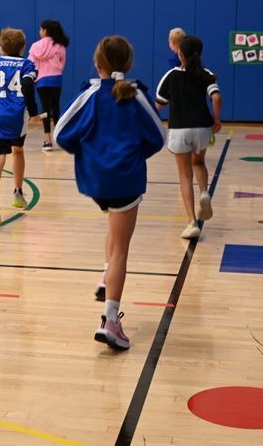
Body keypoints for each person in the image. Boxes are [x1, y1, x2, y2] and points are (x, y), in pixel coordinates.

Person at [54, 36, 165, 350]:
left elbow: (60, 134)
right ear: (128, 63)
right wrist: (133, 154)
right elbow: (159, 137)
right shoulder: (135, 95)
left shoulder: (88, 94)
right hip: (125, 179)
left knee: (113, 231)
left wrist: (89, 153)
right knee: (120, 251)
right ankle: (110, 320)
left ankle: (105, 275)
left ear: (97, 62)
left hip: (96, 181)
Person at [155, 35, 222, 239]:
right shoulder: (205, 74)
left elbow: (159, 103)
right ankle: (204, 192)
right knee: (199, 163)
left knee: (185, 176)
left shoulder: (171, 76)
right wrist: (216, 120)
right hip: (202, 128)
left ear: (179, 54)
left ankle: (192, 222)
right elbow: (216, 97)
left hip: (179, 130)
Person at [0, 28, 39, 224]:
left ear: (2, 46)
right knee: (18, 151)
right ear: (23, 48)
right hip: (17, 115)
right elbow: (28, 86)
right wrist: (34, 110)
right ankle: (18, 193)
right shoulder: (27, 64)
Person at [29, 19, 69, 151]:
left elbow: (31, 64)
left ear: (45, 31)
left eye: (40, 29)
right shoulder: (60, 46)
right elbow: (62, 65)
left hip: (41, 81)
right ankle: (59, 138)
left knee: (45, 110)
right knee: (55, 107)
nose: (39, 32)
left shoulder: (35, 46)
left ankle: (48, 141)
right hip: (56, 79)